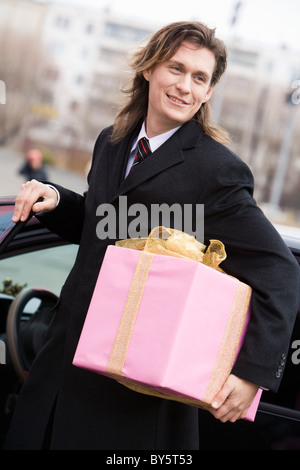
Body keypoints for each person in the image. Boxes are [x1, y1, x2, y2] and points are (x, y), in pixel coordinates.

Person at [3, 21, 300, 450]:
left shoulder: (216, 171)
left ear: (209, 92)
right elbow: (102, 225)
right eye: (176, 69)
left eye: (199, 77)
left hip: (134, 405)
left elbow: (280, 270)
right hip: (56, 373)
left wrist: (251, 373)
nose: (185, 86)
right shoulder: (112, 141)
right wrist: (55, 198)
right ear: (149, 70)